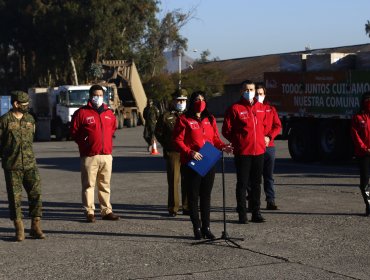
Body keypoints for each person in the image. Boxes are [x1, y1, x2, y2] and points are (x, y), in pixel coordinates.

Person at [173, 91, 233, 240]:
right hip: (192, 161)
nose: (200, 102)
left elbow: (215, 139)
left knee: (206, 196)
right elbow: (177, 140)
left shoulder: (210, 118)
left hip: (209, 158)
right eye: (196, 99)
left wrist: (223, 146)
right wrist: (189, 152)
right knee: (193, 197)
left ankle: (207, 227)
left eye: (202, 99)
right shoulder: (184, 119)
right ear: (192, 102)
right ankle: (197, 227)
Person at [70, 84, 119, 223]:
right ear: (90, 96)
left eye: (100, 95)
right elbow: (74, 132)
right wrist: (85, 143)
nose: (98, 97)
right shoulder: (82, 113)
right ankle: (89, 212)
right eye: (95, 95)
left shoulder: (109, 113)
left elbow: (113, 129)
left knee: (105, 184)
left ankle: (106, 211)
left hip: (106, 155)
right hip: (89, 155)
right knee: (88, 185)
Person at [0, 91, 45, 241]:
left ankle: (35, 226)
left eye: (28, 104)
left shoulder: (30, 119)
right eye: (24, 104)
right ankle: (19, 228)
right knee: (15, 198)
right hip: (12, 166)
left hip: (30, 164)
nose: (27, 107)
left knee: (36, 194)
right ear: (15, 104)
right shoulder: (4, 120)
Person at [222, 80, 267, 224]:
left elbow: (264, 127)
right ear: (242, 91)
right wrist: (238, 141)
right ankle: (242, 214)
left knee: (256, 183)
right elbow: (226, 130)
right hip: (243, 152)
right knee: (242, 183)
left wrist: (263, 138)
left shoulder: (261, 108)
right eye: (246, 90)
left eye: (252, 89)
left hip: (259, 151)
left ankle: (256, 212)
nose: (250, 92)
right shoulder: (235, 108)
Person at [155, 89, 189, 217]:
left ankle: (187, 206)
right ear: (174, 101)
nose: (181, 102)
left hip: (188, 152)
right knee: (173, 181)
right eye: (178, 100)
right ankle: (173, 208)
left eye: (183, 100)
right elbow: (158, 133)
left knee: (188, 180)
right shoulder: (166, 116)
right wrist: (167, 145)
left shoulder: (190, 115)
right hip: (173, 152)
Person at [255, 83, 282, 210]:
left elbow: (277, 126)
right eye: (256, 94)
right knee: (253, 176)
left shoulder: (271, 109)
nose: (258, 96)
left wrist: (269, 136)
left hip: (269, 147)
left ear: (264, 95)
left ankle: (270, 200)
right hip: (255, 147)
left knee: (268, 176)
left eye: (260, 94)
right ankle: (252, 201)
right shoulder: (251, 110)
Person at [351, 91, 370, 216]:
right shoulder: (358, 117)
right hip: (364, 154)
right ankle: (369, 205)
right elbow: (355, 135)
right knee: (365, 182)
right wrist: (364, 148)